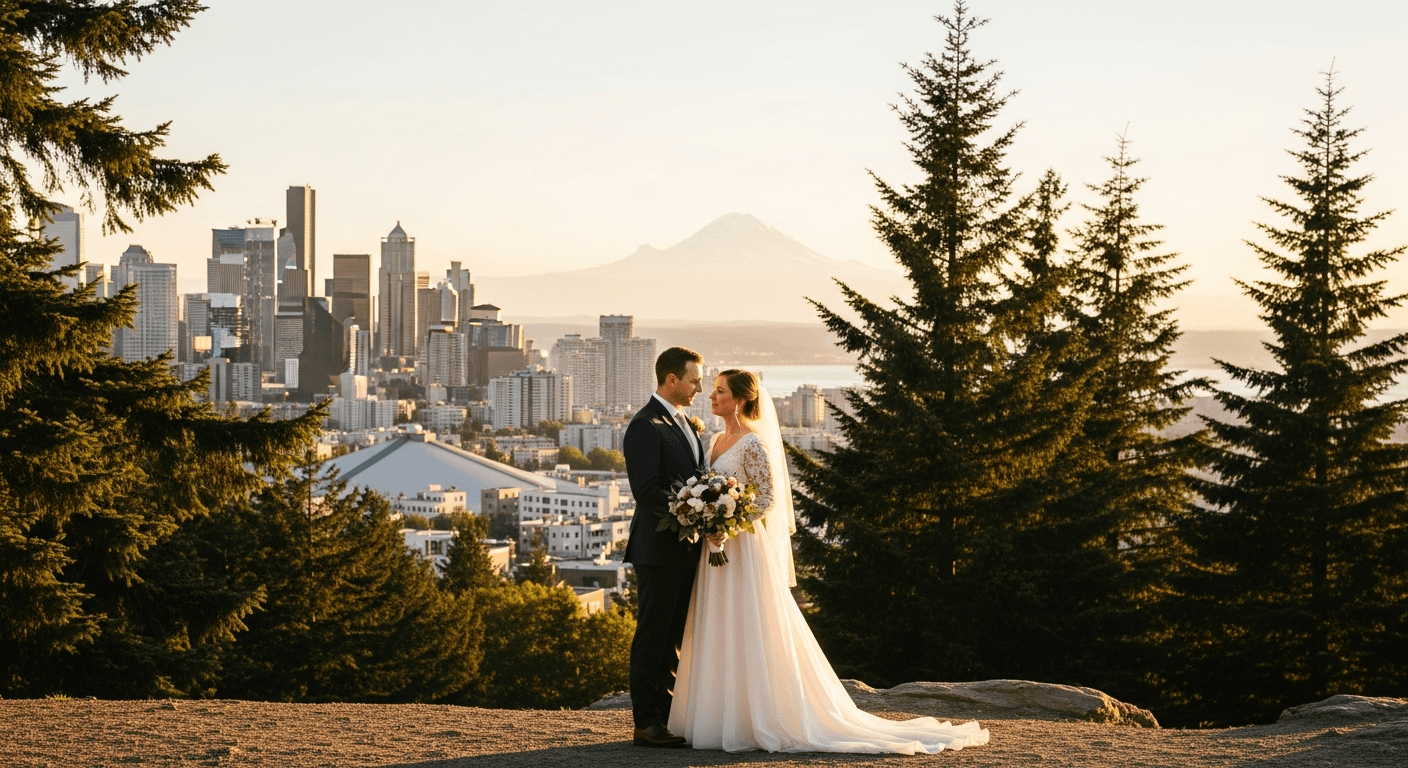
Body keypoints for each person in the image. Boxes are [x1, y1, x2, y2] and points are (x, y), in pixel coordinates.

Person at [667, 369, 991, 754]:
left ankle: (754, 717)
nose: (711, 396)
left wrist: (729, 525)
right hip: (715, 550)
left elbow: (767, 499)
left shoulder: (753, 443)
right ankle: (718, 716)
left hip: (742, 549)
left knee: (748, 623)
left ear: (738, 399)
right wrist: (708, 523)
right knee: (718, 623)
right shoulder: (715, 439)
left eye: (718, 391)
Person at [621, 346, 707, 747]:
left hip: (685, 550)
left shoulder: (683, 422)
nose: (700, 388)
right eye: (694, 381)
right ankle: (646, 722)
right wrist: (695, 515)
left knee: (673, 635)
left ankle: (667, 715)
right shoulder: (645, 425)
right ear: (671, 380)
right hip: (657, 550)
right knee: (653, 635)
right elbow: (648, 491)